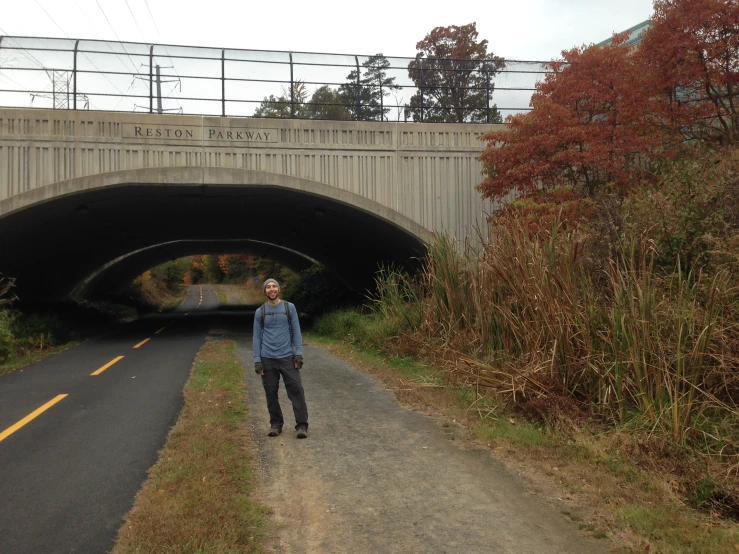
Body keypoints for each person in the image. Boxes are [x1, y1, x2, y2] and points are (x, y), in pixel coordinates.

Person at [253, 278, 308, 438]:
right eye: (268, 287)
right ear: (264, 292)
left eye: (274, 286)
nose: (271, 289)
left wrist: (298, 354)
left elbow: (297, 331)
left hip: (287, 358)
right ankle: (276, 425)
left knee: (296, 390)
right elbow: (256, 337)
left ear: (278, 289)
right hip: (267, 358)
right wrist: (258, 360)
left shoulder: (289, 308)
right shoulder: (260, 312)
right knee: (270, 393)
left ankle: (302, 425)